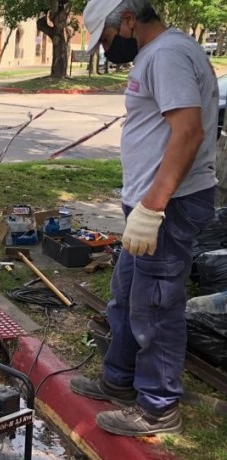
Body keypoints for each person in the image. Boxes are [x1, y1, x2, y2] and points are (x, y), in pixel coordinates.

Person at [72, 0, 218, 437]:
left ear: (130, 21)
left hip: (167, 205)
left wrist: (153, 206)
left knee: (155, 305)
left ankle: (158, 408)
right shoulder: (156, 55)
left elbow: (188, 132)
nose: (106, 50)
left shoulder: (168, 55)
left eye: (109, 39)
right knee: (126, 295)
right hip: (149, 204)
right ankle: (118, 380)